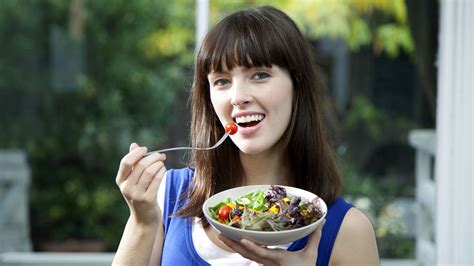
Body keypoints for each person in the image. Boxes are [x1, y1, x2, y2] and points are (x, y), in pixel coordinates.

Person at [113, 6, 379, 266]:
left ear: (297, 85)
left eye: (260, 75)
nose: (238, 98)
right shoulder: (167, 198)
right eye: (222, 81)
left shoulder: (348, 231)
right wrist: (142, 222)